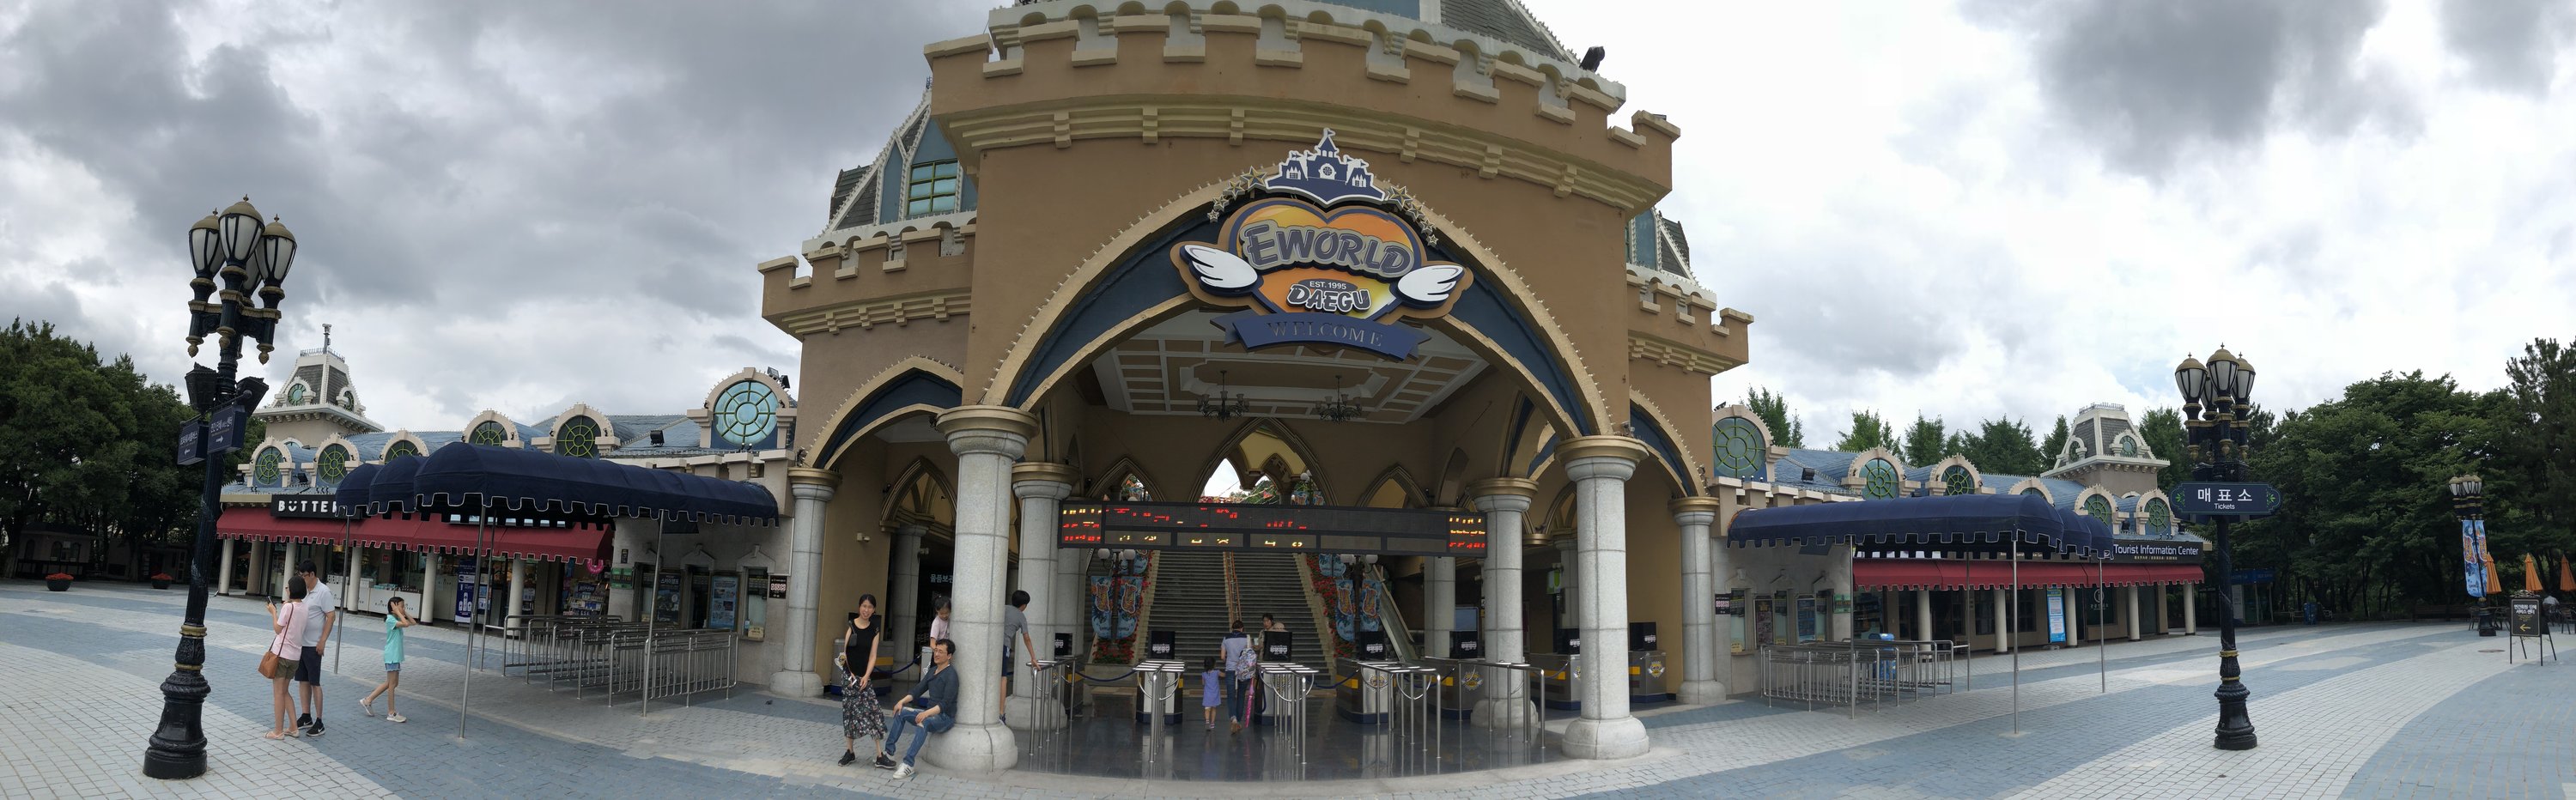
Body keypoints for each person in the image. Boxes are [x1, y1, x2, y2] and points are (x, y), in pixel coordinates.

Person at [878, 639, 957, 779]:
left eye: (941, 652)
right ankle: (889, 753)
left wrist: (926, 714)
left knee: (923, 722)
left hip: (944, 718)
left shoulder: (951, 675)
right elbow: (917, 691)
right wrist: (901, 702)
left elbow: (945, 704)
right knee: (901, 712)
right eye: (935, 650)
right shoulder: (932, 671)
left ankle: (908, 764)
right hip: (930, 713)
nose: (936, 654)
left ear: (949, 656)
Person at [837, 594, 887, 766]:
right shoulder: (851, 626)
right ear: (859, 607)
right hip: (849, 677)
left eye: (870, 607)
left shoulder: (875, 630)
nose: (866, 610)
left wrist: (866, 676)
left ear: (874, 610)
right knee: (850, 713)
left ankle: (880, 755)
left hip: (865, 678)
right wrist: (850, 673)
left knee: (874, 712)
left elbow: (873, 655)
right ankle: (850, 752)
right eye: (864, 606)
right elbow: (844, 654)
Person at [262, 579, 309, 740]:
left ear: (292, 589)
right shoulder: (305, 607)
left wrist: (273, 612)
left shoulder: (288, 607)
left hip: (282, 655)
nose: (286, 589)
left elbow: (277, 629)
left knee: (278, 693)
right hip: (295, 656)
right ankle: (293, 727)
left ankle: (278, 731)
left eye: (288, 587)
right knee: (285, 691)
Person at [295, 561, 337, 737]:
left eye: (304, 576)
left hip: (314, 645)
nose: (302, 579)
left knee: (315, 683)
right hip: (300, 644)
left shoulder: (323, 591)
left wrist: (323, 641)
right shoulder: (303, 590)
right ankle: (306, 716)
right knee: (303, 681)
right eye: (300, 576)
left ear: (312, 574)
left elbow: (331, 616)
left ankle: (319, 721)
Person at [361, 597, 414, 723]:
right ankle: (391, 713)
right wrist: (398, 611)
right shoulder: (390, 619)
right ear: (393, 607)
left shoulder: (396, 618)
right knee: (392, 685)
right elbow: (406, 624)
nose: (403, 608)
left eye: (404, 606)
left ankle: (368, 700)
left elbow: (413, 622)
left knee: (392, 683)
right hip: (392, 656)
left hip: (395, 656)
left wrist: (402, 611)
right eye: (401, 606)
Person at [1000, 589, 1038, 720]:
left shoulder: (1003, 608)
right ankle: (1001, 712)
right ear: (1024, 605)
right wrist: (1033, 657)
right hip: (1004, 646)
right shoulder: (1021, 616)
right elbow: (1027, 638)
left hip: (991, 644)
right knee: (1003, 678)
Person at [1220, 619, 1257, 732]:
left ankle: (1234, 719)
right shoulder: (1247, 638)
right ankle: (1239, 722)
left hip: (1230, 669)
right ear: (1242, 628)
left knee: (1231, 695)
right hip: (1244, 670)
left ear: (1232, 628)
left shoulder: (1226, 638)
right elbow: (1250, 655)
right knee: (1241, 695)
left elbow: (1222, 657)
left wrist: (1229, 660)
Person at [1200, 655, 1223, 730]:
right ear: (1214, 665)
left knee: (1207, 709)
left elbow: (1203, 683)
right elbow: (1224, 675)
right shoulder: (1217, 672)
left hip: (1207, 695)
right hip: (1215, 694)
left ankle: (1207, 721)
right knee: (1214, 709)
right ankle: (1212, 723)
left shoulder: (1204, 674)